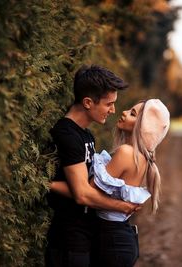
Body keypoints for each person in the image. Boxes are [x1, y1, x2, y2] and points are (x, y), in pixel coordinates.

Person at [51, 99, 170, 267]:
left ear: (142, 128)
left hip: (112, 242)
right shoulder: (140, 156)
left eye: (132, 114)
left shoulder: (126, 153)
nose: (123, 112)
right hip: (118, 239)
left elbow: (86, 192)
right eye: (130, 109)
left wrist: (48, 184)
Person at [45, 64, 139, 267]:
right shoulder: (67, 134)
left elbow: (88, 185)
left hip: (86, 236)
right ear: (88, 102)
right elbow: (82, 194)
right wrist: (122, 206)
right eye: (108, 104)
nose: (113, 110)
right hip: (68, 239)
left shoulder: (86, 135)